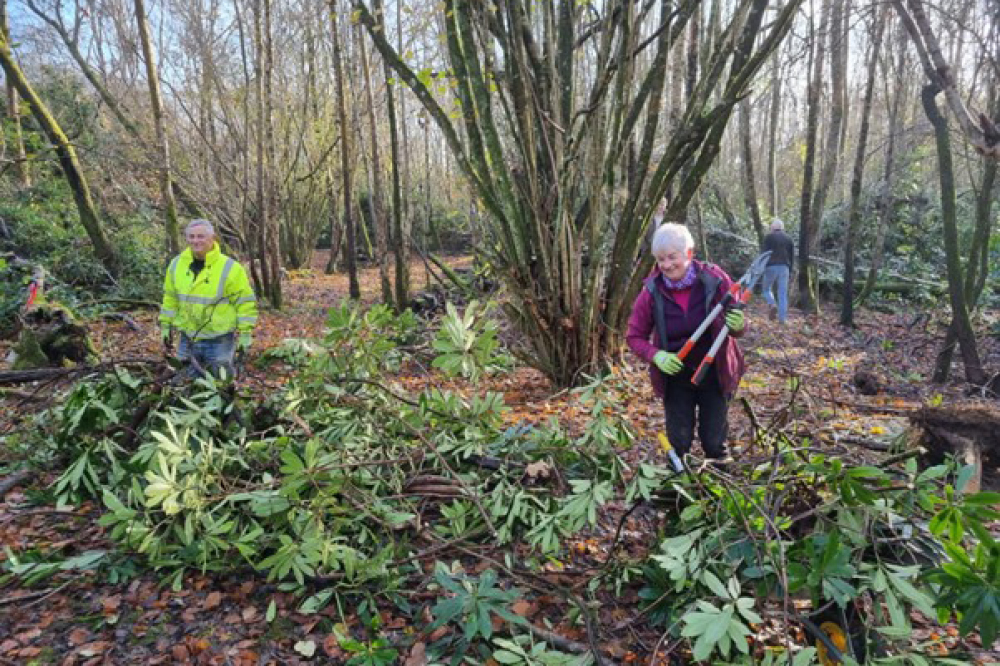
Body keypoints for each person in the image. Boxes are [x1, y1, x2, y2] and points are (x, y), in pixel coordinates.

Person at [626, 223, 747, 460]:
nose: (667, 265)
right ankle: (677, 489)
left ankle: (719, 489)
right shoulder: (651, 291)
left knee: (714, 442)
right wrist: (656, 355)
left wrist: (739, 325)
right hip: (676, 375)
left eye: (672, 257)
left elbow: (739, 324)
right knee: (678, 443)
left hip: (716, 371)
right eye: (661, 259)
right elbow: (633, 337)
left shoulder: (715, 279)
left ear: (689, 253)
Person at [159, 219, 258, 378]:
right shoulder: (176, 265)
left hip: (219, 341)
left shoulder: (230, 268)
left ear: (212, 238)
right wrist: (165, 325)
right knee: (183, 383)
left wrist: (246, 333)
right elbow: (170, 298)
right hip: (187, 338)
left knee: (220, 385)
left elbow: (244, 302)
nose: (195, 241)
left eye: (200, 236)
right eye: (191, 237)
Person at [761, 218, 794, 324]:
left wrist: (761, 267)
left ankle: (772, 303)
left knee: (766, 289)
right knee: (783, 293)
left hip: (770, 266)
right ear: (782, 228)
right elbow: (791, 256)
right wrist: (791, 269)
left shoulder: (768, 237)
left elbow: (764, 253)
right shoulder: (788, 239)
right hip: (785, 267)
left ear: (772, 227)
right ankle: (782, 320)